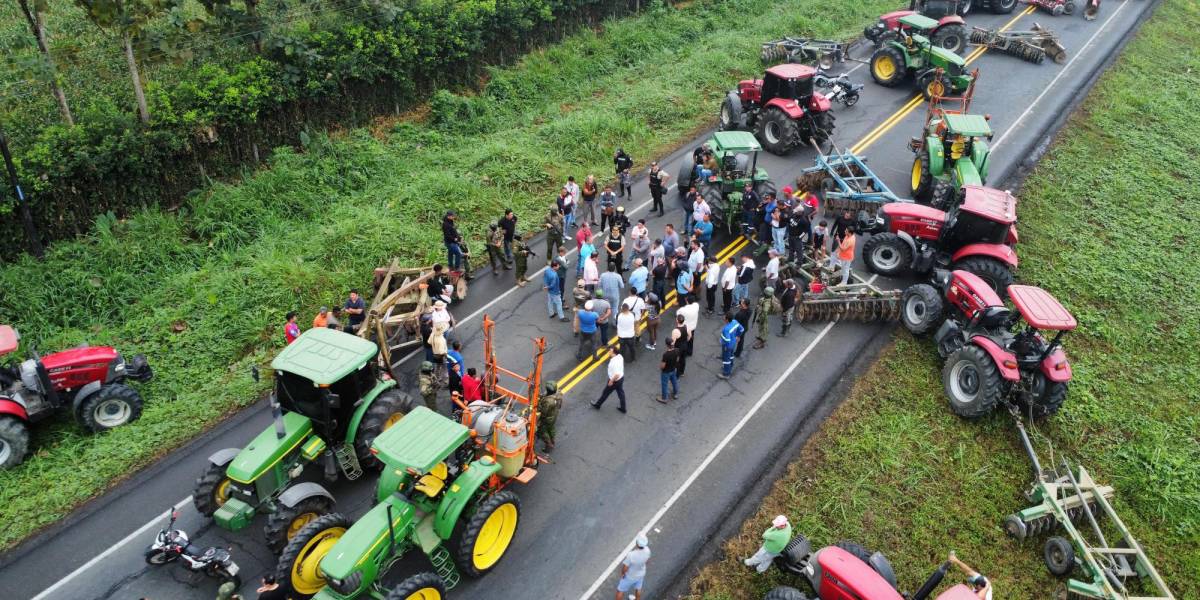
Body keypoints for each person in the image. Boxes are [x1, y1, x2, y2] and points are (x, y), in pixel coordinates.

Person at [591, 346, 626, 413]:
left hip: (614, 381)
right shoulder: (620, 356)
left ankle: (597, 405)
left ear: (613, 353)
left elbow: (616, 374)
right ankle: (623, 408)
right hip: (621, 378)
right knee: (621, 393)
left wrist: (611, 381)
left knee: (605, 393)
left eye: (609, 351)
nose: (608, 352)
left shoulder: (614, 363)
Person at [615, 534, 650, 600]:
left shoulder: (631, 555)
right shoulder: (647, 550)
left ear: (637, 543)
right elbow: (647, 561)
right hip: (641, 574)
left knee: (620, 591)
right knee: (638, 588)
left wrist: (623, 573)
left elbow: (625, 567)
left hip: (630, 576)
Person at [718, 312, 745, 379]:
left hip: (727, 346)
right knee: (731, 355)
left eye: (725, 317)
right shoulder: (735, 322)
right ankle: (731, 365)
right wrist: (738, 336)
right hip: (733, 343)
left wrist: (725, 347)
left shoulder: (726, 329)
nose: (724, 317)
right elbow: (742, 329)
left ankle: (726, 374)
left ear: (727, 320)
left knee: (726, 359)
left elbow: (727, 340)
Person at [538, 382, 563, 451]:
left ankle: (548, 445)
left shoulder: (548, 402)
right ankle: (553, 440)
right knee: (551, 428)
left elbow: (543, 412)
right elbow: (559, 406)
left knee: (542, 431)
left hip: (548, 419)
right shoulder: (558, 394)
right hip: (554, 415)